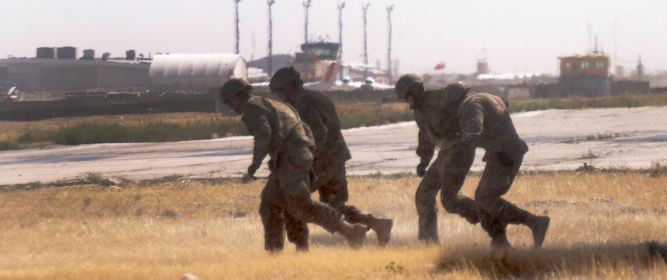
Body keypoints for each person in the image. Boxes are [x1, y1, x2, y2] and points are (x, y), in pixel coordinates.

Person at [395, 73, 549, 249]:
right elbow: (425, 135)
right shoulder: (420, 112)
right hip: (451, 153)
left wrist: (470, 143)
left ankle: (499, 230)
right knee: (424, 194)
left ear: (415, 90)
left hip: (461, 151)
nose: (406, 102)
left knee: (454, 200)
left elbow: (475, 124)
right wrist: (423, 160)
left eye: (406, 97)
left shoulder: (446, 98)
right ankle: (428, 242)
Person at [219, 76, 369, 252]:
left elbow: (263, 135)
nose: (230, 106)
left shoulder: (252, 107)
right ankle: (275, 252)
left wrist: (254, 164)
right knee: (270, 204)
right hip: (290, 160)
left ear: (238, 96)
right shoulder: (274, 105)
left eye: (229, 101)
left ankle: (350, 232)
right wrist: (305, 158)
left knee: (302, 207)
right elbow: (305, 130)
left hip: (290, 160)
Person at [269, 66, 394, 245]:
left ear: (289, 87)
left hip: (322, 161)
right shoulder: (317, 98)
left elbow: (318, 133)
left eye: (280, 92)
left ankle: (301, 245)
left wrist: (305, 161)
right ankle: (377, 225)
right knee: (333, 205)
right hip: (335, 157)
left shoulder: (303, 104)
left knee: (295, 199)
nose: (280, 96)